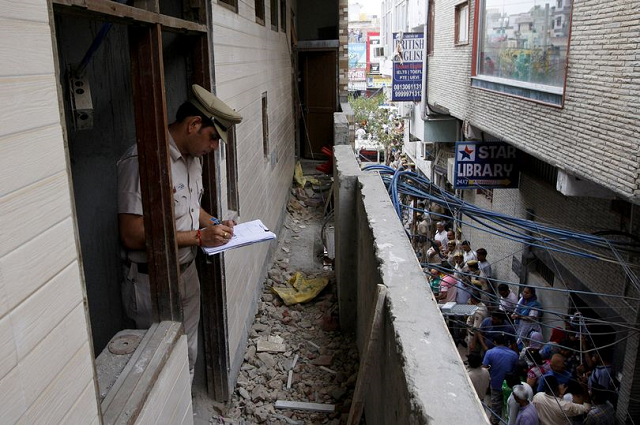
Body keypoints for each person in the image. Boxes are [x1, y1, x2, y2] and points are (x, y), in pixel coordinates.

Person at [117, 84, 242, 381]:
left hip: (187, 272)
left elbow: (189, 209)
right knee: (154, 370)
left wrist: (213, 222)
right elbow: (132, 235)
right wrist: (200, 238)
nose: (214, 148)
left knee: (187, 354)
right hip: (151, 281)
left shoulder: (193, 160)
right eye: (213, 138)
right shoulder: (143, 162)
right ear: (193, 125)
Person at [483, 333, 518, 424]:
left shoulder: (490, 352)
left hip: (496, 383)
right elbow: (515, 369)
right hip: (509, 386)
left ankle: (494, 421)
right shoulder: (514, 355)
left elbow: (484, 367)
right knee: (509, 406)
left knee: (496, 405)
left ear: (494, 342)